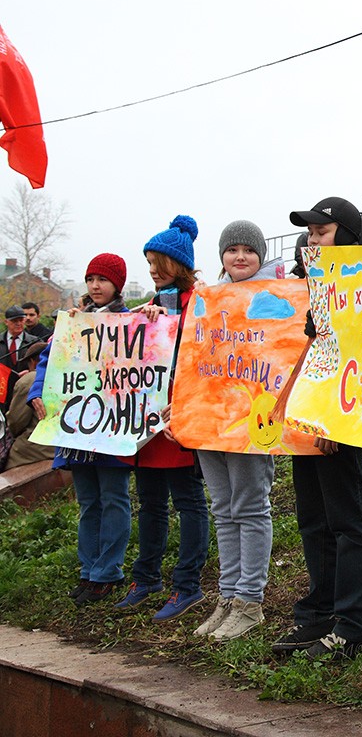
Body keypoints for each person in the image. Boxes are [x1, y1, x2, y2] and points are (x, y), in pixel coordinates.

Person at [269, 197, 362, 660]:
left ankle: (354, 620)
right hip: (306, 419)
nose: (310, 241)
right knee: (313, 518)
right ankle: (319, 610)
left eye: (322, 232)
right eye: (309, 234)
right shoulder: (311, 287)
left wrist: (337, 421)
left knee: (348, 521)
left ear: (348, 239)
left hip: (341, 421)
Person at [115, 215, 210, 622]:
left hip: (179, 421)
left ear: (179, 265)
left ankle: (187, 585)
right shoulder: (148, 308)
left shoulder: (200, 305)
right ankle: (146, 577)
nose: (152, 272)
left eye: (158, 265)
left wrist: (169, 325)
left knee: (188, 502)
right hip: (145, 424)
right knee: (150, 503)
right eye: (150, 265)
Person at [192, 221, 281, 642]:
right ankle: (227, 596)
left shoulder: (283, 296)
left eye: (249, 249)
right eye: (232, 250)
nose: (240, 257)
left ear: (261, 255)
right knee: (222, 509)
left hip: (253, 423)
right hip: (210, 421)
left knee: (250, 507)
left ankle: (249, 601)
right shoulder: (207, 300)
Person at [28, 253, 133, 605]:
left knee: (114, 500)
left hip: (113, 429)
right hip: (77, 432)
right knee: (88, 502)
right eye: (90, 279)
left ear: (117, 283)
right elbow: (48, 362)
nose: (95, 285)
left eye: (102, 279)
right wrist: (36, 393)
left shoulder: (129, 321)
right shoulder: (73, 322)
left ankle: (109, 572)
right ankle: (89, 570)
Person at [3, 340, 54, 471]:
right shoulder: (63, 376)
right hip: (59, 446)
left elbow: (15, 422)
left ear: (33, 361)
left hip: (36, 447)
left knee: (5, 462)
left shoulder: (29, 380)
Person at [1, 305, 41, 376]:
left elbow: (42, 364)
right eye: (14, 321)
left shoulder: (35, 342)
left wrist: (30, 372)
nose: (19, 324)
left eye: (21, 320)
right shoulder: (1, 340)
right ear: (6, 322)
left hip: (25, 383)